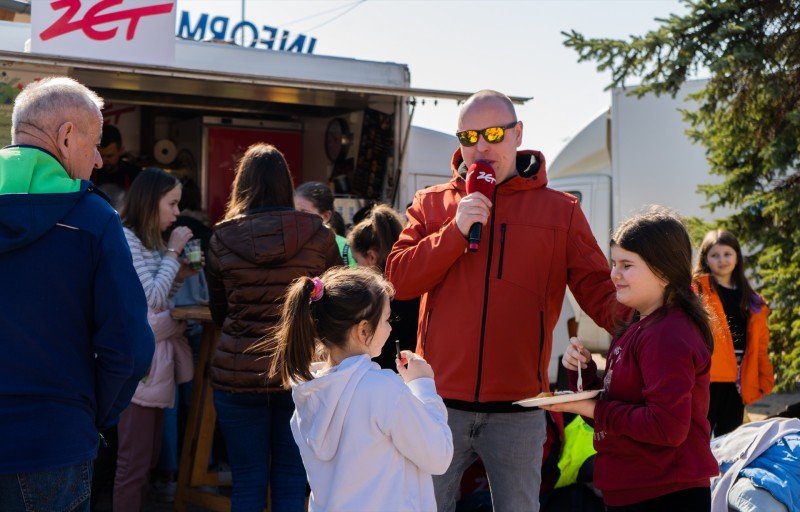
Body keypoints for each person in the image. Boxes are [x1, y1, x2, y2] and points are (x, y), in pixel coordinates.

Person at [385, 89, 626, 511]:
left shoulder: (561, 211)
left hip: (519, 408)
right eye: (468, 135)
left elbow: (598, 291)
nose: (481, 145)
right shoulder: (432, 204)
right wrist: (455, 232)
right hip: (437, 406)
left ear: (518, 134)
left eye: (494, 133)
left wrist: (649, 324)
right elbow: (398, 280)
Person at [0, 76, 153, 511]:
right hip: (53, 443)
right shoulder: (94, 219)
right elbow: (129, 349)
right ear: (66, 137)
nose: (100, 161)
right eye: (95, 144)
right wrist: (90, 413)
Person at [545, 207, 719, 511]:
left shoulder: (668, 333)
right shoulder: (639, 326)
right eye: (614, 263)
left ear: (663, 271)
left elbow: (667, 427)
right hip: (636, 489)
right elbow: (618, 411)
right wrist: (584, 374)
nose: (614, 274)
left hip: (665, 494)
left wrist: (594, 406)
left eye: (627, 265)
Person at [205, 143, 341, 512]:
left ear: (242, 184)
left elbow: (221, 312)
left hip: (237, 374)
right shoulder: (318, 234)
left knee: (246, 482)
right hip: (299, 371)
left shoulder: (221, 238)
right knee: (292, 481)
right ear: (286, 183)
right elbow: (332, 300)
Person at [269, 266, 454, 511]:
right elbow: (438, 456)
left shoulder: (308, 391)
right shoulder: (384, 390)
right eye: (386, 319)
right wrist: (423, 386)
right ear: (364, 330)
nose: (390, 328)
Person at [114, 168, 198, 512]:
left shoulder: (148, 243)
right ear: (152, 202)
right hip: (136, 370)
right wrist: (174, 254)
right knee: (133, 465)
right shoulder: (128, 239)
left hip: (151, 368)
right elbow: (151, 299)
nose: (177, 213)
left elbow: (161, 298)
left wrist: (179, 275)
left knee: (144, 461)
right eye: (172, 204)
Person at [693, 229, 774, 436]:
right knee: (701, 436)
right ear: (705, 258)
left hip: (738, 379)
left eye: (727, 254)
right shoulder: (697, 291)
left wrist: (764, 376)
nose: (722, 260)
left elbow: (760, 343)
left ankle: (725, 470)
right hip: (708, 377)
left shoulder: (753, 299)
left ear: (737, 256)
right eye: (715, 255)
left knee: (731, 437)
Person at [347, 203, 419, 370]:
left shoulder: (373, 295)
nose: (357, 268)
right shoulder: (416, 281)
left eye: (358, 261)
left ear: (372, 256)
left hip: (382, 377)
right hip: (415, 373)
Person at [294, 180, 356, 266]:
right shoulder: (288, 243)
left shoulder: (346, 249)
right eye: (294, 211)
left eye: (304, 212)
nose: (296, 217)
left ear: (326, 216)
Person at [92, 124, 141, 189]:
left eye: (109, 156)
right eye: (100, 156)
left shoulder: (135, 175)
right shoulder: (87, 174)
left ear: (120, 151)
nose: (103, 161)